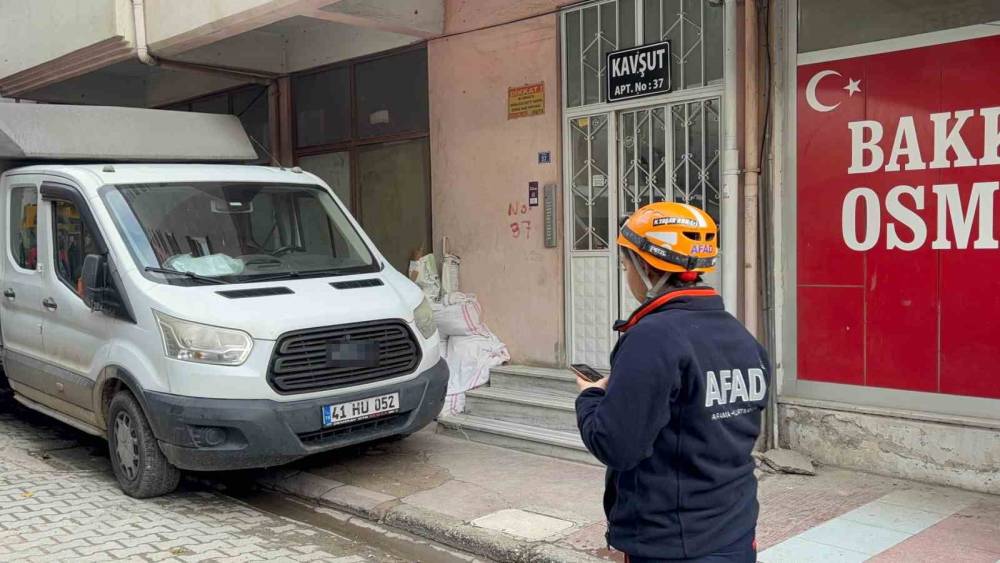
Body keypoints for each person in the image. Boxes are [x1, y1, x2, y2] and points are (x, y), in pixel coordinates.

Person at [575, 202, 770, 563]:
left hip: (673, 545)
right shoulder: (742, 338)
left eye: (626, 266)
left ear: (646, 268)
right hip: (736, 534)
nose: (627, 275)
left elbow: (615, 445)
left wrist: (590, 397)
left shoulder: (652, 338)